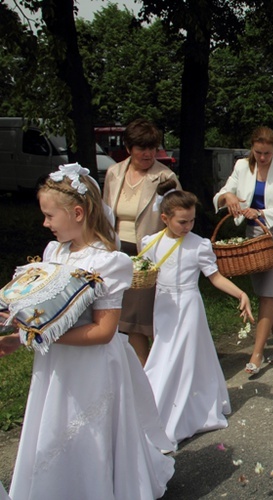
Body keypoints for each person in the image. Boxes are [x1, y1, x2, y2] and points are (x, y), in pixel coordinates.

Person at [2, 164, 174, 500]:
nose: (45, 223)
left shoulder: (107, 263)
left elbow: (104, 331)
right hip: (57, 362)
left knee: (86, 432)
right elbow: (44, 310)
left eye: (50, 216)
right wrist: (18, 333)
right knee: (53, 425)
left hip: (92, 364)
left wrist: (40, 335)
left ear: (78, 213)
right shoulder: (54, 252)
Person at [143, 181, 253, 444]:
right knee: (164, 354)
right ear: (165, 218)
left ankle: (181, 413)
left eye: (191, 221)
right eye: (182, 221)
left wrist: (240, 293)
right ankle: (156, 410)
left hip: (188, 307)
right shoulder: (150, 243)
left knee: (182, 357)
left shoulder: (198, 245)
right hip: (163, 306)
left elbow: (214, 277)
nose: (188, 226)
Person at [214, 126, 273, 376]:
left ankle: (257, 352)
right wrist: (228, 196)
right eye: (258, 152)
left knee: (268, 295)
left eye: (267, 153)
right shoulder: (242, 166)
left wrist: (260, 212)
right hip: (253, 235)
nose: (262, 158)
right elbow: (222, 194)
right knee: (265, 291)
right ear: (252, 147)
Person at [103, 118, 180, 366]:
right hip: (117, 254)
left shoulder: (164, 177)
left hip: (147, 257)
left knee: (139, 319)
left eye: (152, 148)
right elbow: (105, 214)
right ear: (129, 148)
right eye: (141, 148)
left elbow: (179, 218)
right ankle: (134, 372)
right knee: (119, 318)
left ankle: (151, 371)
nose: (147, 154)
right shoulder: (114, 173)